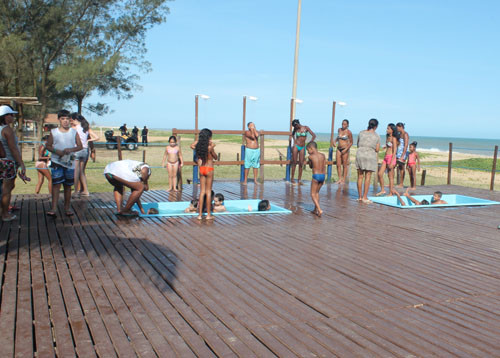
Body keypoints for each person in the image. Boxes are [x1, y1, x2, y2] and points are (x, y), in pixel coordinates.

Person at [45, 109, 83, 217]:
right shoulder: (54, 132)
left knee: (68, 186)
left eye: (67, 119)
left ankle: (67, 207)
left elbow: (80, 146)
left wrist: (70, 150)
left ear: (70, 120)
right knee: (56, 185)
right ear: (59, 120)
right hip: (57, 162)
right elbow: (48, 145)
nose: (65, 121)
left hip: (69, 163)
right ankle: (53, 208)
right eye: (63, 119)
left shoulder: (74, 132)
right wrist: (57, 151)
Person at [0, 105, 27, 222]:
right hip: (8, 162)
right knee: (7, 188)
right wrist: (21, 163)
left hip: (1, 161)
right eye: (11, 115)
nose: (13, 117)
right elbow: (13, 149)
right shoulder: (7, 130)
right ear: (5, 116)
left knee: (4, 188)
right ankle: (5, 214)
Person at [190, 128, 217, 220]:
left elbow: (192, 145)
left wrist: (199, 141)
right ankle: (208, 214)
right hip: (209, 168)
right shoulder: (210, 147)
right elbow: (215, 157)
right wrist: (212, 146)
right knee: (208, 192)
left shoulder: (199, 147)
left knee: (202, 192)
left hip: (202, 169)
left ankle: (200, 215)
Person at [71, 113, 99, 197]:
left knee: (76, 172)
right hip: (85, 150)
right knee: (82, 172)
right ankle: (86, 191)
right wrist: (88, 140)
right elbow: (97, 137)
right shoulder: (86, 128)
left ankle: (76, 191)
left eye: (72, 120)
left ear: (76, 120)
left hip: (77, 150)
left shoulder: (74, 128)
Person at [355, 118, 380, 203]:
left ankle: (360, 197)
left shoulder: (361, 133)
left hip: (360, 153)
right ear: (376, 126)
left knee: (360, 176)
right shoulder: (376, 136)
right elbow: (377, 149)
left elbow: (358, 144)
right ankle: (365, 197)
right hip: (370, 154)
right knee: (368, 176)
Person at [290, 119, 316, 185]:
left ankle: (299, 179)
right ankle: (292, 178)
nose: (294, 128)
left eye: (295, 126)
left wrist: (310, 143)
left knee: (301, 163)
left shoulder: (306, 128)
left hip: (302, 147)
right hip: (296, 146)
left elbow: (313, 135)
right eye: (294, 127)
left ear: (297, 124)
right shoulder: (295, 129)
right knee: (294, 162)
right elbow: (292, 135)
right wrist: (294, 142)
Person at [376, 123, 399, 196]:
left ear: (392, 130)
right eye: (387, 128)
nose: (387, 130)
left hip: (391, 157)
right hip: (385, 157)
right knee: (379, 174)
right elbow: (388, 145)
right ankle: (382, 190)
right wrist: (385, 146)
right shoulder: (388, 137)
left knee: (390, 177)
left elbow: (395, 150)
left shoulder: (394, 138)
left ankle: (391, 193)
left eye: (388, 128)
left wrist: (392, 161)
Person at [306, 141, 326, 217]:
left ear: (311, 148)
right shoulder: (323, 155)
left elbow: (311, 167)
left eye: (308, 150)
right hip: (322, 176)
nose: (308, 152)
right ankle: (315, 209)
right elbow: (324, 166)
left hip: (316, 176)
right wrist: (324, 178)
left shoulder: (310, 157)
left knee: (312, 194)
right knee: (317, 193)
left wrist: (309, 161)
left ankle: (319, 209)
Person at [333, 119, 353, 184]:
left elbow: (351, 142)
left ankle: (343, 179)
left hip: (345, 149)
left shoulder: (349, 132)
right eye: (342, 124)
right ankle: (339, 179)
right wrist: (334, 141)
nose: (343, 125)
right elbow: (338, 137)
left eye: (344, 124)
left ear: (347, 125)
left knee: (344, 165)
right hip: (338, 149)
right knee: (338, 164)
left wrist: (346, 149)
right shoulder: (339, 130)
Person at [395, 122, 410, 187]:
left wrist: (403, 156)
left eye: (397, 127)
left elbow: (406, 145)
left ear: (401, 127)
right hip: (398, 152)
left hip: (403, 152)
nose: (396, 129)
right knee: (396, 166)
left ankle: (401, 183)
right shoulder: (399, 134)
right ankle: (396, 182)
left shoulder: (405, 134)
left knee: (401, 167)